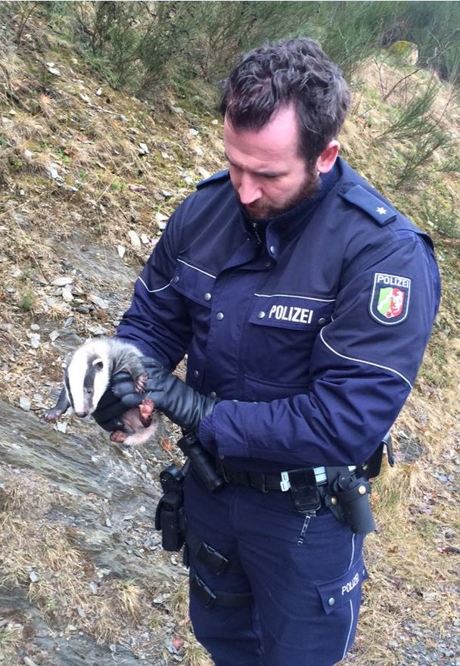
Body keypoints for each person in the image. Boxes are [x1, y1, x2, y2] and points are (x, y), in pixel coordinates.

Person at [94, 38, 441, 665]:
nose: (246, 191)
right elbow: (153, 319)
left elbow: (345, 421)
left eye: (269, 174)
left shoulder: (383, 256)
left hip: (303, 516)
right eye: (234, 163)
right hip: (210, 495)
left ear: (326, 154)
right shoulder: (205, 211)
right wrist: (127, 382)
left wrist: (192, 408)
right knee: (223, 642)